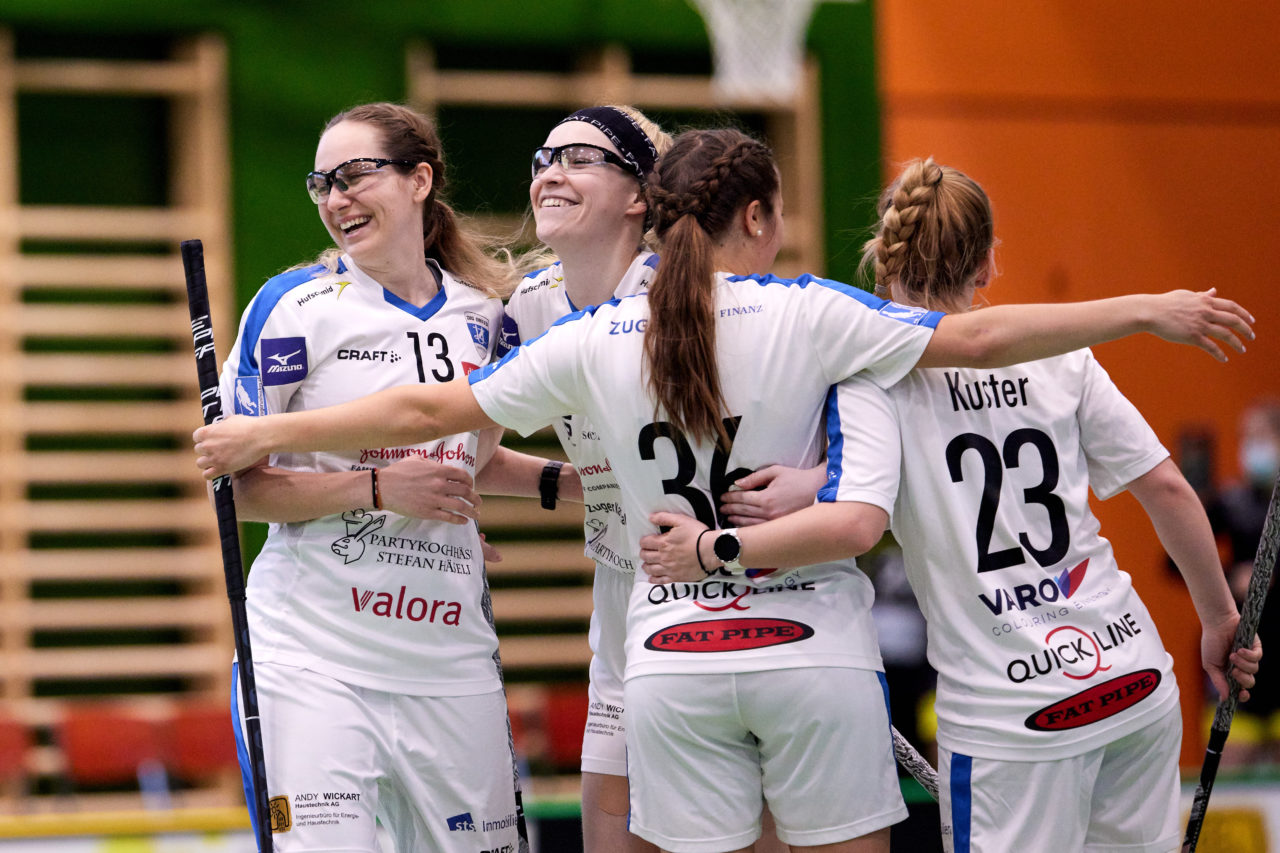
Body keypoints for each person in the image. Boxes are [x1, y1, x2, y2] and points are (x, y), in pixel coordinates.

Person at [194, 130, 1255, 853]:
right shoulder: (812, 313)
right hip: (819, 664)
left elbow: (427, 414)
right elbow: (964, 345)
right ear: (761, 214)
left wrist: (267, 429)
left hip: (672, 668)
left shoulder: (593, 336)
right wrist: (1143, 307)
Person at [638, 157, 1263, 853]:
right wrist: (1219, 619)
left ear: (884, 255)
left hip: (1012, 716)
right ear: (990, 263)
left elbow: (874, 489)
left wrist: (803, 488)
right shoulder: (1063, 358)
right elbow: (1169, 489)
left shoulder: (872, 377)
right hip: (1132, 678)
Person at [215, 102, 529, 852]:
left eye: (355, 175)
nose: (335, 198)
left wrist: (578, 485)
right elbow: (236, 486)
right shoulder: (292, 308)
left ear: (420, 179)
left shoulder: (491, 320)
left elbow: (473, 461)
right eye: (321, 183)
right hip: (311, 659)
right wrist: (377, 489)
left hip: (450, 663)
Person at [1210, 398, 1280, 767]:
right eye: (1245, 438)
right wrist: (1228, 578)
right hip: (1242, 658)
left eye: (1260, 438)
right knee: (1231, 770)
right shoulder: (1229, 500)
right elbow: (1173, 563)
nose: (1251, 448)